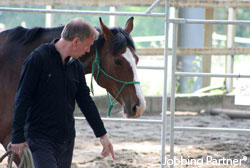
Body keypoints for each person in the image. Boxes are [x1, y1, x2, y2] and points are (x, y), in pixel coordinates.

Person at [11, 18, 115, 168]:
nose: (88, 51)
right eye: (88, 46)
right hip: (40, 139)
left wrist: (102, 134)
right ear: (76, 41)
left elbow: (85, 101)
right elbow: (22, 98)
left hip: (66, 140)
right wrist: (17, 137)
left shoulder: (76, 66)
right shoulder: (37, 59)